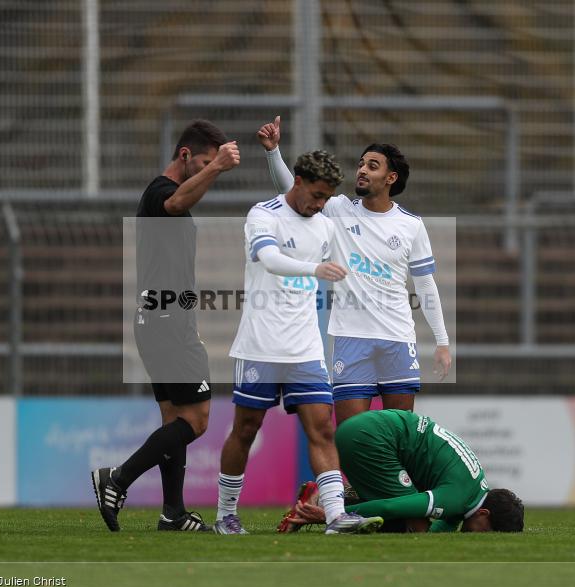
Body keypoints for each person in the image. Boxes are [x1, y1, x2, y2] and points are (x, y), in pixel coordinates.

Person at [213, 150, 383, 536]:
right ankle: (225, 514)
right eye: (317, 195)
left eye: (326, 198)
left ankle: (336, 515)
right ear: (299, 182)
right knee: (246, 429)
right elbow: (270, 259)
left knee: (322, 428)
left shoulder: (322, 225)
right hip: (261, 344)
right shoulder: (264, 214)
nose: (320, 204)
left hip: (305, 348)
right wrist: (315, 269)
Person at [92, 119, 240, 533]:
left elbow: (185, 201)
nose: (212, 169)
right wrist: (218, 167)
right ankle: (116, 479)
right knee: (197, 421)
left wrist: (210, 172)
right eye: (205, 161)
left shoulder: (172, 198)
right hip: (167, 320)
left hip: (157, 320)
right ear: (185, 155)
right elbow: (175, 202)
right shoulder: (160, 194)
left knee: (174, 418)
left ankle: (173, 513)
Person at [257, 117, 452, 425]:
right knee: (350, 435)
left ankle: (394, 477)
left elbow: (425, 285)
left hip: (397, 338)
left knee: (399, 435)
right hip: (350, 338)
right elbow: (293, 191)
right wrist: (273, 151)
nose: (361, 170)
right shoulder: (339, 210)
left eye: (372, 165)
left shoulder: (411, 226)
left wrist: (442, 342)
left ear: (391, 178)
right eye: (361, 164)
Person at [283, 409, 524, 533]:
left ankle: (332, 494)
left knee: (413, 521)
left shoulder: (474, 489)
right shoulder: (458, 497)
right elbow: (390, 508)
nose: (478, 538)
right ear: (484, 513)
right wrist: (333, 515)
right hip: (369, 439)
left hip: (368, 429)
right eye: (486, 533)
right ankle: (325, 505)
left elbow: (443, 527)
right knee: (409, 525)